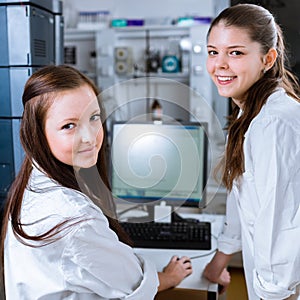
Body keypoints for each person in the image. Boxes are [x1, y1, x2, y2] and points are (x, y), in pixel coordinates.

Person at [0, 65, 192, 299]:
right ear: (38, 133)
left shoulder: (33, 177)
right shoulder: (75, 219)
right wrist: (170, 277)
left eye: (93, 118)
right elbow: (132, 283)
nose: (90, 137)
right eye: (69, 126)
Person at [203, 4, 300, 300]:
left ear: (267, 59)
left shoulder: (274, 124)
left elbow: (282, 224)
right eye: (212, 52)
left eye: (235, 53)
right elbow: (244, 193)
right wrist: (220, 259)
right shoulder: (252, 115)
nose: (219, 64)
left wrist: (272, 294)